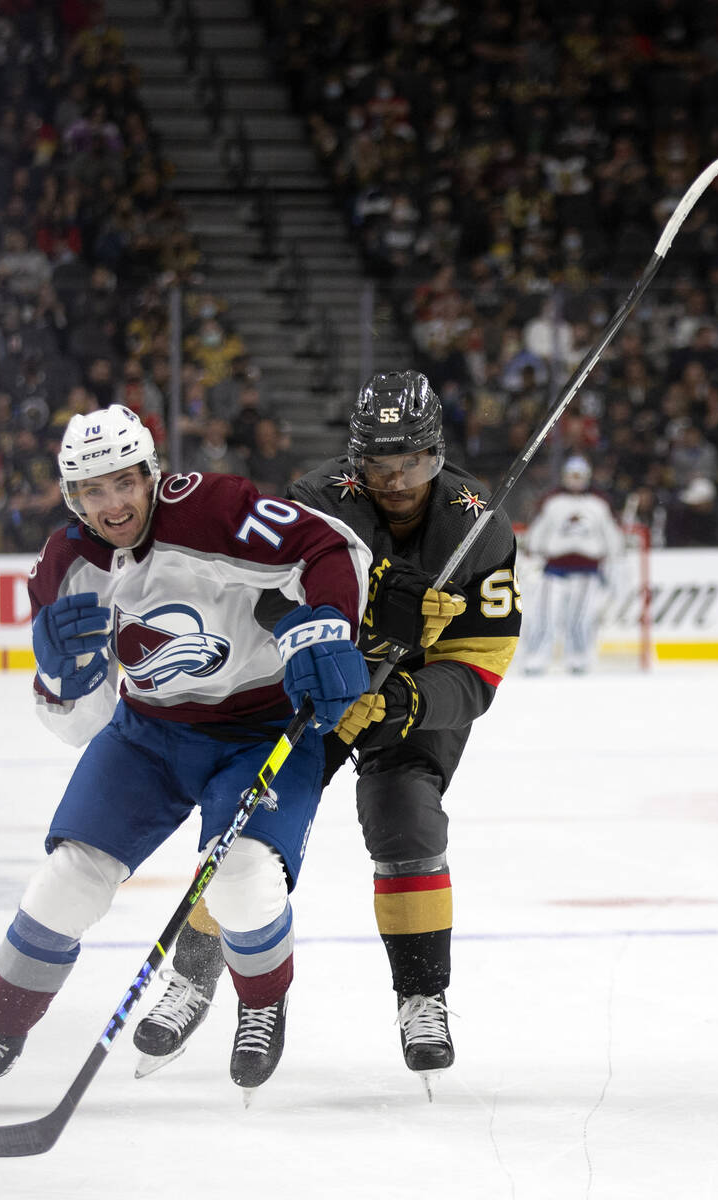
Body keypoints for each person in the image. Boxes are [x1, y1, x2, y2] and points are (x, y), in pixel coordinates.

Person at [0, 403, 373, 1112]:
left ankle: (260, 1003)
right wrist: (58, 682)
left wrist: (327, 625)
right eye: (92, 491)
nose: (112, 504)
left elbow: (330, 546)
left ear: (150, 475)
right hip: (148, 735)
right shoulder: (66, 566)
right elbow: (85, 723)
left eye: (123, 482)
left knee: (241, 881)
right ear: (73, 497)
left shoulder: (218, 511)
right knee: (67, 879)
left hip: (260, 726)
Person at [134, 371, 522, 1093]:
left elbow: (480, 671)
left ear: (438, 454)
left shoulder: (480, 527)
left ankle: (420, 995)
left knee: (404, 818)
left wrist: (400, 701)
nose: (397, 479)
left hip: (410, 700)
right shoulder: (313, 504)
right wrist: (357, 632)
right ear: (354, 460)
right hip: (315, 684)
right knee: (251, 822)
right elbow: (255, 604)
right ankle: (194, 978)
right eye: (379, 463)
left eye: (412, 461)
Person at [520, 455, 624, 675]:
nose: (576, 480)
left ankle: (579, 659)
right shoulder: (553, 502)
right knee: (544, 616)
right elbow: (539, 531)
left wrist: (615, 558)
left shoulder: (598, 504)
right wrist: (533, 550)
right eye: (572, 475)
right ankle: (536, 658)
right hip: (554, 570)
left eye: (580, 475)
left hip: (587, 571)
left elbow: (611, 535)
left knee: (580, 618)